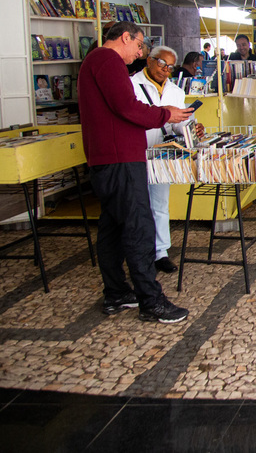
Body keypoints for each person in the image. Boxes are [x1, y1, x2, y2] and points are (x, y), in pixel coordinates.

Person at [77, 21, 194, 323]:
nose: (140, 52)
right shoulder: (108, 61)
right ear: (125, 38)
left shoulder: (96, 62)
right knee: (138, 227)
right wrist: (165, 114)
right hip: (119, 159)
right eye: (139, 45)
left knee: (113, 227)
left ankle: (116, 292)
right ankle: (150, 300)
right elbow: (126, 107)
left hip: (109, 157)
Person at [131, 45, 203, 274]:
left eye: (171, 67)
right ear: (150, 60)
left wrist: (191, 127)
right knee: (134, 204)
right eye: (162, 63)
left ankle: (160, 251)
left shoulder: (175, 91)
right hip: (135, 149)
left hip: (161, 152)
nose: (166, 70)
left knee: (159, 203)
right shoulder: (131, 85)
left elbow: (178, 121)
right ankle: (137, 251)